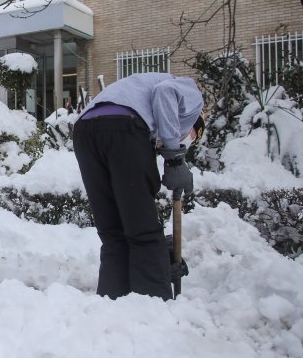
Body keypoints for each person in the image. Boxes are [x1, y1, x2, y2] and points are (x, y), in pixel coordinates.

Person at [72, 72, 205, 301]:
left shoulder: (138, 95)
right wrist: (174, 157)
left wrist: (161, 261)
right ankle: (153, 313)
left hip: (85, 132)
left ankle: (111, 309)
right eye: (190, 137)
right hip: (122, 127)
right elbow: (165, 93)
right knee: (144, 234)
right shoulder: (190, 95)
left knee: (114, 235)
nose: (185, 140)